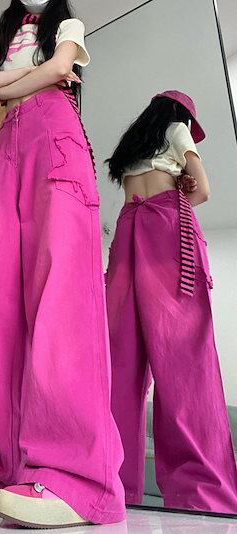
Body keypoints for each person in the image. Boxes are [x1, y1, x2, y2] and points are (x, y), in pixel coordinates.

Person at [0, 0, 125, 528]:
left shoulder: (68, 24)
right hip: (8, 144)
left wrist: (1, 83)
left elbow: (59, 67)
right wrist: (21, 81)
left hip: (56, 137)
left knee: (62, 292)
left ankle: (74, 474)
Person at [105, 90, 237, 513]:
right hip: (167, 226)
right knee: (185, 361)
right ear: (182, 116)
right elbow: (203, 192)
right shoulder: (177, 129)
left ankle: (110, 481)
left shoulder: (131, 145)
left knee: (119, 359)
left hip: (128, 228)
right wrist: (181, 186)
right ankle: (199, 492)